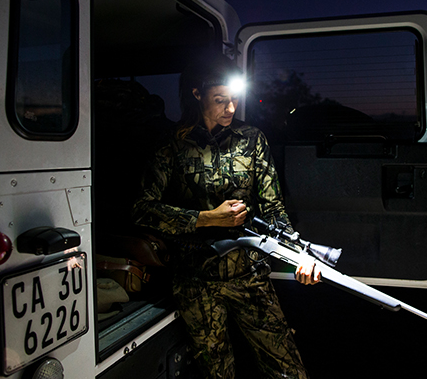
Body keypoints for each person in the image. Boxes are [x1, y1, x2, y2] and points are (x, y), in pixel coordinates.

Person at [132, 54, 320, 378]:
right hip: (195, 281)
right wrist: (205, 218)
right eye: (221, 101)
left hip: (249, 276)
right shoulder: (171, 146)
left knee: (288, 369)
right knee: (217, 373)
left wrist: (298, 254)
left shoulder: (252, 140)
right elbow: (143, 209)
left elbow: (273, 208)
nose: (230, 109)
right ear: (196, 94)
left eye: (235, 99)